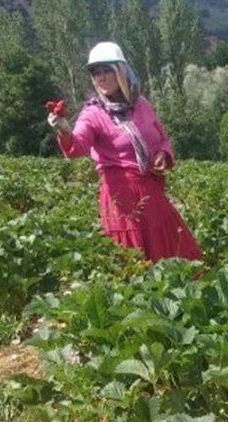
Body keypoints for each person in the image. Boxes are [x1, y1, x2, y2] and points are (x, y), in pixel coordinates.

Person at [48, 42, 202, 262]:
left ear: (121, 71)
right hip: (122, 199)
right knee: (133, 261)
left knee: (170, 258)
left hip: (151, 192)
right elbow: (76, 147)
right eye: (95, 73)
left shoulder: (141, 104)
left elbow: (162, 139)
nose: (101, 78)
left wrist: (163, 155)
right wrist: (64, 131)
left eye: (106, 70)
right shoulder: (93, 113)